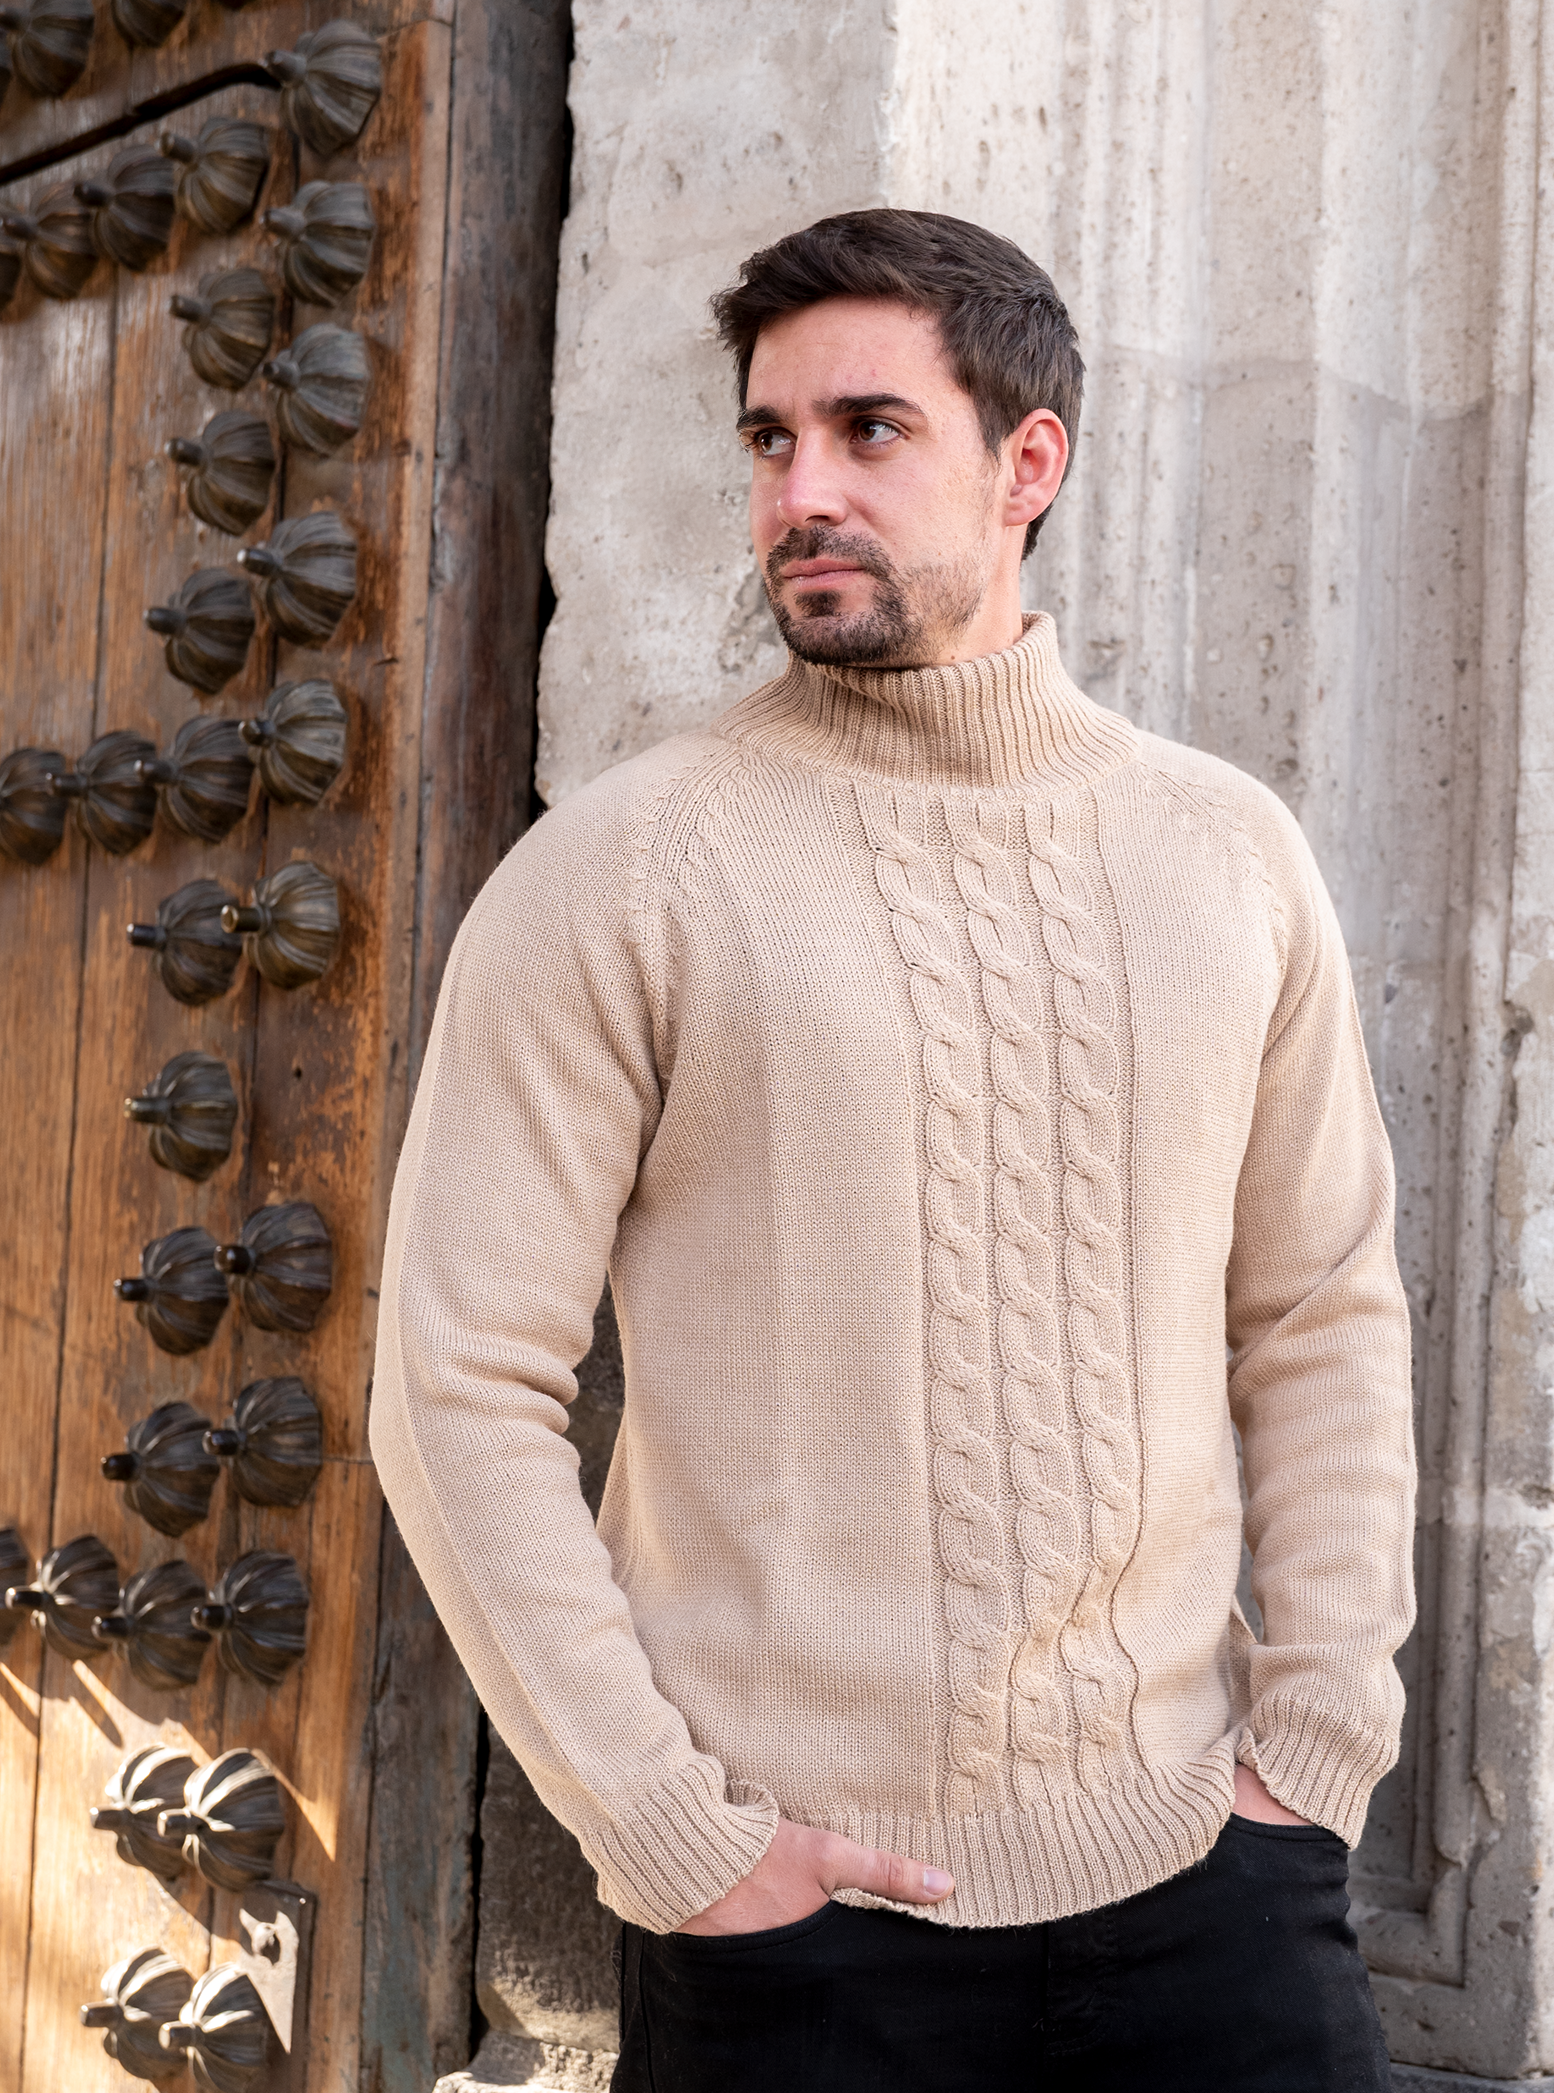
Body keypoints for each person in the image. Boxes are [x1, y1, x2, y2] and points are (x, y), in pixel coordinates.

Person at [371, 208, 1416, 2091]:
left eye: (869, 431)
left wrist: (1316, 1743)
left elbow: (1319, 1313)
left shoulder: (1228, 855)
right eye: (769, 440)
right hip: (798, 1941)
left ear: (1029, 463)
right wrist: (678, 1838)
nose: (801, 494)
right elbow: (455, 1385)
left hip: (1215, 1887)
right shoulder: (620, 872)